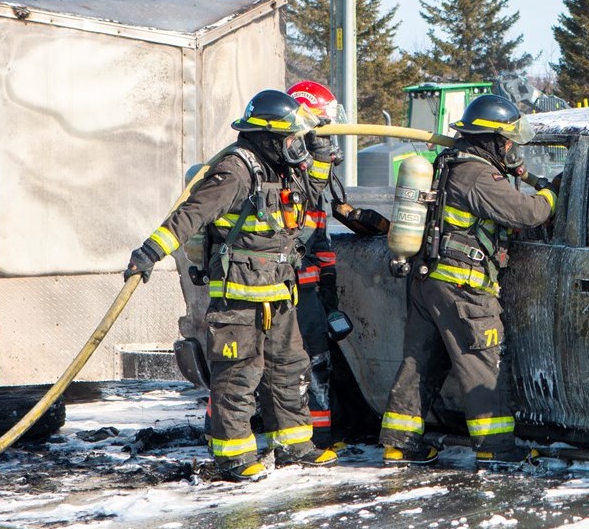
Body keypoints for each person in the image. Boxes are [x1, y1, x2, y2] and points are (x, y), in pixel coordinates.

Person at [125, 90, 340, 482]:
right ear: (269, 137)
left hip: (278, 295)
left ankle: (294, 445)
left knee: (288, 370)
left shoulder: (282, 168)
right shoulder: (236, 171)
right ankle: (234, 457)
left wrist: (320, 157)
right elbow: (189, 215)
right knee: (238, 375)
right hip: (239, 299)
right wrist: (149, 253)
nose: (295, 146)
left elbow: (311, 194)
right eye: (290, 139)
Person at [378, 94, 556, 467]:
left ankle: (399, 444)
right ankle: (497, 448)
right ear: (490, 140)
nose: (510, 148)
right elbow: (527, 213)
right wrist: (551, 195)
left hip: (430, 283)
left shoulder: (449, 162)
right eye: (506, 141)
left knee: (420, 363)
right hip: (464, 290)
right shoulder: (477, 175)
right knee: (482, 362)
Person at [286, 80, 346, 448]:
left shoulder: (311, 181)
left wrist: (329, 286)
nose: (327, 138)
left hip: (307, 290)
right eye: (321, 128)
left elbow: (318, 235)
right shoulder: (283, 173)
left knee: (318, 364)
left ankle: (320, 435)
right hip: (281, 289)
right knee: (274, 367)